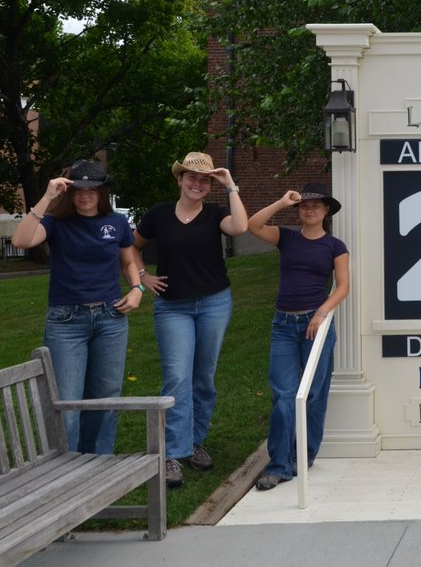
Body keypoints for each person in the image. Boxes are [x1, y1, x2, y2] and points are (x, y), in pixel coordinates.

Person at [11, 160, 145, 453]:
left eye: (92, 190)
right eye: (79, 189)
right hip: (66, 321)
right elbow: (21, 240)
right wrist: (47, 197)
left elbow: (128, 262)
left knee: (106, 398)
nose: (85, 195)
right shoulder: (55, 222)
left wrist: (137, 288)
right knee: (66, 402)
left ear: (102, 192)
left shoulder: (117, 223)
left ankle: (98, 464)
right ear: (69, 193)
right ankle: (65, 466)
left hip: (111, 317)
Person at [134, 152, 247, 488]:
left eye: (204, 180)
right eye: (191, 177)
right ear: (180, 179)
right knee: (177, 377)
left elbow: (240, 227)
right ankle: (173, 452)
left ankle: (196, 441)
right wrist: (142, 276)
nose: (197, 184)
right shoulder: (159, 214)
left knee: (204, 376)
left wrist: (230, 185)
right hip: (173, 307)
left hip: (214, 303)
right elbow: (130, 247)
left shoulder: (215, 214)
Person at [248, 183, 349, 491]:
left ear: (326, 210)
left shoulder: (335, 246)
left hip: (316, 325)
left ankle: (304, 455)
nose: (310, 209)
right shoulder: (286, 238)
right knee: (284, 395)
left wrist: (321, 313)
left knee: (314, 393)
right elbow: (252, 225)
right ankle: (279, 465)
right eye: (304, 205)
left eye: (316, 205)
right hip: (283, 325)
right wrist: (282, 202)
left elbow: (343, 286)